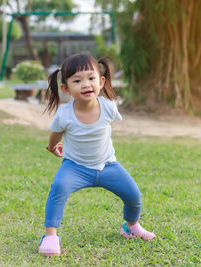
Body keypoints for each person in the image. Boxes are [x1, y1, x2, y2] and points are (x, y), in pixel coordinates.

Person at [38, 54, 155, 257]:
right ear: (65, 88)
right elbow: (55, 135)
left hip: (108, 166)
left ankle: (131, 227)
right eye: (77, 80)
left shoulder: (109, 107)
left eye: (91, 78)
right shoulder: (64, 114)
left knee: (133, 195)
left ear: (101, 82)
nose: (86, 84)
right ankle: (50, 236)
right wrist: (52, 146)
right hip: (75, 167)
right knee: (58, 188)